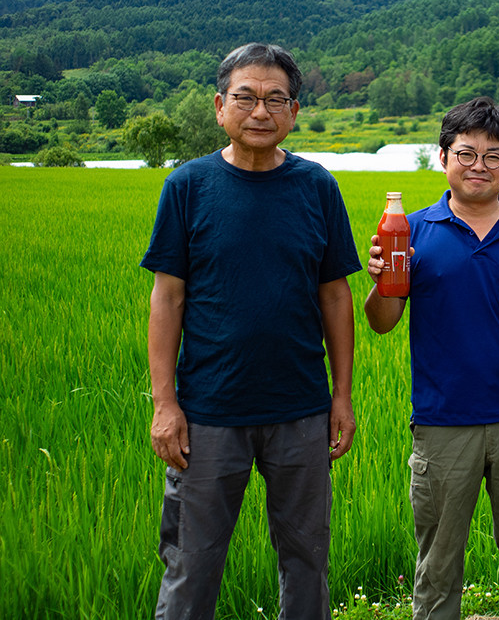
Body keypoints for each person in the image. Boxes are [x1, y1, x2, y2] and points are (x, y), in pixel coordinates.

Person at [140, 42, 361, 619]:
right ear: (220, 106)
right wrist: (165, 404)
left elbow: (336, 295)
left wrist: (342, 397)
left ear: (294, 113)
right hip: (208, 414)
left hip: (300, 409)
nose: (260, 111)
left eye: (275, 99)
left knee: (307, 559)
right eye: (246, 97)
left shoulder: (317, 187)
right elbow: (168, 298)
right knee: (192, 561)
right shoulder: (188, 187)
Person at [363, 97, 499, 620]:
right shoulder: (412, 232)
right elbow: (382, 321)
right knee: (439, 559)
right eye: (466, 153)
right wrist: (381, 285)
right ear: (442, 157)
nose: (479, 166)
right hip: (443, 421)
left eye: (494, 156)